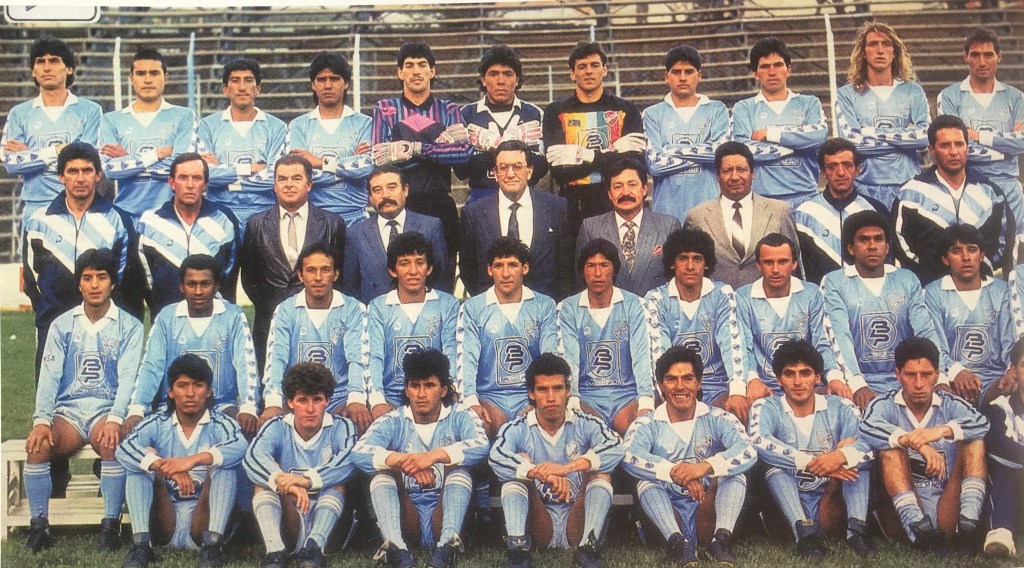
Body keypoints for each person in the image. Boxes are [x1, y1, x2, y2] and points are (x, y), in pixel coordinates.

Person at [23, 249, 144, 553]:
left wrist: (116, 418)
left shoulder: (130, 326)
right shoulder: (62, 324)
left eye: (101, 277)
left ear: (112, 282)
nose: (94, 284)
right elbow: (49, 376)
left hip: (106, 410)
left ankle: (110, 524)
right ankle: (39, 525)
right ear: (79, 283)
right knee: (38, 446)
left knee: (112, 442)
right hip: (69, 413)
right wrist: (42, 420)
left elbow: (128, 379)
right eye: (87, 278)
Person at [352, 349, 489, 568]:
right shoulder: (393, 420)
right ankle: (396, 548)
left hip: (444, 509)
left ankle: (447, 547)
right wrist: (402, 461)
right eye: (415, 386)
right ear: (407, 390)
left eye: (429, 385)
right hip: (408, 514)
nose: (421, 394)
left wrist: (432, 456)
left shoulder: (461, 415)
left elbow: (481, 444)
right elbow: (359, 451)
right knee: (383, 475)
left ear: (443, 389)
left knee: (458, 470)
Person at [622, 346, 756, 566]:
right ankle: (677, 544)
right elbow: (629, 455)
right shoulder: (647, 423)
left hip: (708, 512)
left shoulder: (718, 417)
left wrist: (703, 467)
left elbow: (747, 450)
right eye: (671, 379)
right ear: (661, 385)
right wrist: (675, 472)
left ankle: (720, 541)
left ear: (699, 383)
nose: (680, 386)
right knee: (645, 481)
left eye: (687, 378)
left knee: (735, 474)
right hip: (669, 515)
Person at [489, 353, 624, 568]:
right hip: (538, 521)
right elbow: (496, 456)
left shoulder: (586, 423)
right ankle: (518, 552)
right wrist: (538, 473)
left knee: (599, 472)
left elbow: (616, 447)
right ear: (531, 393)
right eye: (543, 389)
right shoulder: (517, 428)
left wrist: (566, 469)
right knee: (517, 468)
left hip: (577, 519)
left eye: (557, 388)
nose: (551, 397)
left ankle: (588, 550)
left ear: (568, 390)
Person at [748, 340, 876, 560]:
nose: (798, 381)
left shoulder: (841, 406)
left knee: (855, 459)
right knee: (773, 467)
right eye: (789, 374)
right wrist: (813, 462)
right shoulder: (766, 407)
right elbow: (759, 441)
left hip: (832, 500)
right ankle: (805, 536)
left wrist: (840, 456)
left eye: (805, 373)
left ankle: (857, 531)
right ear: (779, 380)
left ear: (818, 377)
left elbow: (869, 444)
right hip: (788, 505)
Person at [116, 354, 247, 568]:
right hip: (165, 517)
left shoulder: (220, 423)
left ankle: (212, 547)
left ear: (209, 391)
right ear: (170, 391)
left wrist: (192, 461)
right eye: (182, 385)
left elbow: (240, 445)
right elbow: (124, 448)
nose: (190, 393)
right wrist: (163, 466)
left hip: (204, 519)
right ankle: (141, 546)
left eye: (198, 385)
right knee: (143, 458)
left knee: (224, 463)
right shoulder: (158, 422)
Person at [859, 337, 989, 550]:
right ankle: (919, 530)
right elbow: (866, 426)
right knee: (891, 449)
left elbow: (981, 423)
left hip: (947, 505)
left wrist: (940, 430)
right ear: (898, 375)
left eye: (926, 375)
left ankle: (968, 526)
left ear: (937, 374)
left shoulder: (950, 404)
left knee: (974, 440)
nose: (919, 384)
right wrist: (917, 443)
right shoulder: (884, 404)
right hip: (900, 513)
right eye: (910, 375)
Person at [23, 143, 132, 378]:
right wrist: (51, 310)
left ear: (98, 175)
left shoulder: (117, 220)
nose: (80, 178)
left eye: (87, 170)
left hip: (102, 325)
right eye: (72, 171)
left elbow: (122, 276)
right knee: (50, 395)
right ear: (61, 176)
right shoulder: (39, 221)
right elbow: (32, 279)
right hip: (52, 323)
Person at [124, 255, 259, 438]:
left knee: (244, 428)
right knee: (141, 434)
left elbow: (246, 364)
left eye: (205, 284)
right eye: (191, 284)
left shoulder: (233, 316)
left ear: (216, 286)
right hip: (174, 404)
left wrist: (248, 406)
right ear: (181, 286)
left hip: (221, 404)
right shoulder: (167, 317)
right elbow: (151, 365)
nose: (198, 291)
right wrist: (137, 408)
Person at [822, 210, 945, 411]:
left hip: (906, 378)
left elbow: (925, 330)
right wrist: (857, 383)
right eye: (864, 240)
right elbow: (839, 335)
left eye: (878, 239)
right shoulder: (835, 281)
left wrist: (941, 378)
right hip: (861, 379)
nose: (872, 246)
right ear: (851, 248)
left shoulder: (906, 279)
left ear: (887, 247)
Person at [371, 41, 472, 274]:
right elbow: (381, 158)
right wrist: (439, 147)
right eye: (409, 65)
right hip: (401, 206)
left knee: (442, 276)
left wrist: (415, 149)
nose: (416, 71)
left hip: (439, 203)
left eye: (422, 65)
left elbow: (464, 153)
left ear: (432, 71)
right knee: (402, 274)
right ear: (400, 72)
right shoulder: (385, 108)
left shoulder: (448, 109)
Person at [245, 362, 359, 568]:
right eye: (302, 400)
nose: (310, 408)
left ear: (327, 400)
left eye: (317, 400)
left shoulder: (341, 426)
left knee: (337, 481)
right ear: (290, 402)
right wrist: (281, 480)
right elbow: (253, 457)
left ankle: (314, 548)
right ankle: (275, 551)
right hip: (291, 515)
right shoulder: (277, 426)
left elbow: (351, 459)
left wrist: (306, 481)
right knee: (264, 481)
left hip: (331, 524)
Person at [240, 154, 347, 369]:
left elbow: (341, 275)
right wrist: (271, 303)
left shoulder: (332, 223)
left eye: (296, 178)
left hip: (320, 319)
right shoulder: (255, 224)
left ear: (309, 184)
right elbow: (249, 278)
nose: (288, 184)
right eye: (282, 179)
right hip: (270, 320)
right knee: (272, 384)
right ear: (274, 185)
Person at [259, 243, 371, 433]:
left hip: (338, 398)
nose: (318, 277)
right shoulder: (286, 310)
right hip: (298, 397)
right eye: (311, 270)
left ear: (336, 274)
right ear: (301, 275)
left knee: (356, 423)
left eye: (325, 270)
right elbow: (276, 359)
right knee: (272, 426)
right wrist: (273, 402)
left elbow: (357, 358)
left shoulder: (353, 308)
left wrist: (356, 399)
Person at [645, 227, 753, 424]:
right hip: (678, 386)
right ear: (672, 263)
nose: (690, 266)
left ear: (706, 263)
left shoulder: (722, 294)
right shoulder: (656, 299)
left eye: (697, 259)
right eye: (683, 258)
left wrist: (737, 390)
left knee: (736, 415)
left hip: (716, 385)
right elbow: (658, 353)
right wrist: (665, 393)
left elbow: (732, 343)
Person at [938, 27, 1024, 265]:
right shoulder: (950, 96)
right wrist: (1006, 143)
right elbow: (951, 144)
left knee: (1015, 255)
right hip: (970, 183)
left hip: (1009, 185)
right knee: (969, 252)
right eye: (975, 55)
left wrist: (977, 136)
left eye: (988, 55)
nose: (982, 61)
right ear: (965, 57)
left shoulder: (1016, 97)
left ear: (999, 57)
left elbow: (1022, 144)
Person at [456, 237, 558, 437]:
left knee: (538, 433)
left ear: (525, 268)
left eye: (512, 265)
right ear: (489, 270)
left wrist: (539, 402)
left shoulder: (544, 305)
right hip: (490, 397)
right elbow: (466, 358)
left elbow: (552, 357)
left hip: (530, 396)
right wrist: (471, 401)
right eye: (498, 266)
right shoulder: (473, 308)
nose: (505, 273)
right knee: (476, 430)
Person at [543, 41, 645, 237]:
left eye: (595, 65)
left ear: (605, 70)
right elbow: (560, 171)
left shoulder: (626, 109)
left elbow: (635, 165)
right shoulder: (556, 111)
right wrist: (613, 153)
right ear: (572, 74)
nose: (589, 71)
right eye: (582, 66)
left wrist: (581, 156)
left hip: (617, 200)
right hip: (573, 204)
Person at [893, 114, 1010, 285]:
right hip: (930, 289)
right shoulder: (911, 194)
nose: (954, 152)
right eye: (945, 145)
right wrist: (930, 278)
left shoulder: (991, 193)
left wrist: (979, 272)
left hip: (980, 288)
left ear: (967, 148)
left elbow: (1004, 242)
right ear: (932, 151)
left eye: (959, 144)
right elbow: (900, 246)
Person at [2, 36, 102, 228]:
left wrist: (30, 156)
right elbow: (11, 164)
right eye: (40, 62)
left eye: (54, 61)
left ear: (69, 68)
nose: (47, 68)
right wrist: (57, 151)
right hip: (35, 208)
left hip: (79, 208)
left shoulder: (90, 111)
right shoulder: (19, 114)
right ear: (33, 71)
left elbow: (86, 159)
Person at [557, 238, 654, 436]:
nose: (598, 273)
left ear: (614, 269)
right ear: (582, 271)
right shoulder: (568, 308)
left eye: (604, 265)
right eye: (591, 266)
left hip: (626, 395)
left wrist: (645, 399)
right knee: (591, 438)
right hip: (587, 396)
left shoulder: (634, 304)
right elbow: (569, 358)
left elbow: (642, 355)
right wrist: (573, 397)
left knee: (637, 435)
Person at [736, 233, 852, 399]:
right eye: (768, 262)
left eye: (783, 261)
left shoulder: (811, 293)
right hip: (765, 386)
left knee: (842, 401)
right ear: (758, 265)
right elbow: (744, 347)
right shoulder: (743, 297)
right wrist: (752, 379)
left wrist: (834, 377)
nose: (776, 269)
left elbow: (821, 342)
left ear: (794, 264)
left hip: (805, 384)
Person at [460, 140, 572, 300]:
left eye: (517, 167)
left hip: (544, 307)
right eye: (503, 167)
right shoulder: (474, 213)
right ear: (495, 173)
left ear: (529, 171)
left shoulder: (556, 207)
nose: (510, 174)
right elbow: (468, 271)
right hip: (494, 309)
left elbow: (566, 266)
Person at [835, 22, 930, 209]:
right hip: (864, 186)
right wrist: (904, 139)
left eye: (886, 44)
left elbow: (925, 138)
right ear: (863, 52)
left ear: (894, 52)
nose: (880, 50)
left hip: (908, 185)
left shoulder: (913, 91)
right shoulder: (847, 94)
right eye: (873, 44)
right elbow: (851, 143)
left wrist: (868, 132)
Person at [683, 141, 801, 290]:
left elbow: (794, 265)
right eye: (727, 171)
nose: (734, 177)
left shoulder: (779, 212)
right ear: (717, 176)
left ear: (752, 173)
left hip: (766, 300)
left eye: (741, 169)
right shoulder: (697, 216)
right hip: (716, 301)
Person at [365, 232, 459, 417]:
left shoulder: (447, 304)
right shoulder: (378, 307)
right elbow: (374, 356)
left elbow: (451, 351)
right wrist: (377, 400)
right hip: (391, 396)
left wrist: (449, 389)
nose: (413, 271)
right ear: (393, 270)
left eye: (420, 262)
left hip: (432, 396)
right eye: (404, 263)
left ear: (429, 268)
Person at [136, 152, 240, 319]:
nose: (190, 185)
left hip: (213, 319)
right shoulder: (151, 222)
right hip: (167, 319)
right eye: (183, 178)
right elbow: (145, 279)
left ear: (205, 184)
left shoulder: (224, 219)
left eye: (197, 178)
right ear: (171, 182)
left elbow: (229, 273)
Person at [100, 48, 197, 222]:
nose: (147, 80)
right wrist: (158, 154)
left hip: (170, 217)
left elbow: (183, 168)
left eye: (154, 73)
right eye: (140, 73)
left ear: (166, 77)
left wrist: (128, 160)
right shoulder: (111, 120)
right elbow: (110, 170)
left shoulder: (185, 116)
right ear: (131, 78)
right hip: (126, 215)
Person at [924, 225, 1014, 407]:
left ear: (981, 256)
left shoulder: (1002, 291)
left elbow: (1009, 342)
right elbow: (934, 344)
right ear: (945, 259)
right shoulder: (933, 293)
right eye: (956, 251)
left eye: (972, 250)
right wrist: (957, 371)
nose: (965, 257)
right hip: (951, 378)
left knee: (1015, 386)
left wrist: (1010, 372)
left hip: (995, 379)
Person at [731, 37, 827, 207]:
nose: (772, 72)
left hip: (806, 195)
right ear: (755, 74)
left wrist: (770, 134)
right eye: (765, 67)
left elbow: (819, 135)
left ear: (788, 70)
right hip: (763, 199)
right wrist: (796, 145)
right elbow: (743, 151)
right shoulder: (744, 108)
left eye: (778, 65)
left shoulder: (809, 103)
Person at [197, 58, 287, 230]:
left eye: (248, 80)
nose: (242, 87)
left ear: (258, 88)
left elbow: (275, 176)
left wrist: (226, 175)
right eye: (235, 80)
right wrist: (249, 168)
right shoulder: (207, 126)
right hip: (219, 211)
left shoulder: (277, 127)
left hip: (264, 211)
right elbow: (205, 174)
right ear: (225, 89)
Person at [287, 51, 375, 226]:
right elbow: (297, 174)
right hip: (312, 220)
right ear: (313, 85)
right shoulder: (298, 125)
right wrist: (348, 166)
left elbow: (365, 168)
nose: (328, 85)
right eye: (321, 79)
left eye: (334, 79)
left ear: (346, 83)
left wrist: (317, 162)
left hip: (355, 218)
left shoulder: (365, 123)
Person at [643, 45, 729, 221]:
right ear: (666, 77)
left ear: (699, 75)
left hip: (709, 209)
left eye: (689, 71)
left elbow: (720, 154)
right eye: (676, 72)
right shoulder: (652, 114)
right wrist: (703, 154)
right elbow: (655, 164)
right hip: (666, 211)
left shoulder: (717, 110)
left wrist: (669, 149)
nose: (683, 78)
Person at [342, 164, 449, 304]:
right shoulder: (355, 234)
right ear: (370, 197)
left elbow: (441, 279)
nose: (385, 195)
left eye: (392, 187)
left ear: (405, 190)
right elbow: (350, 287)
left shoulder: (430, 226)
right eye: (377, 190)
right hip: (374, 313)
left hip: (422, 311)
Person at [455, 44, 547, 204]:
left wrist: (497, 148)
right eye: (493, 74)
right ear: (483, 80)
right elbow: (461, 170)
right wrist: (500, 149)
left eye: (508, 74)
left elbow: (541, 167)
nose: (501, 81)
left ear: (517, 80)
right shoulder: (466, 114)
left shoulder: (534, 114)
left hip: (523, 197)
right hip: (481, 197)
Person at [575, 159, 681, 297]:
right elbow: (581, 281)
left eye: (632, 185)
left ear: (644, 189)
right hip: (609, 308)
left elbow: (678, 279)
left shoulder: (669, 226)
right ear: (609, 194)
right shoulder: (591, 228)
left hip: (657, 307)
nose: (625, 192)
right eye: (618, 186)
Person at [793, 138, 889, 285]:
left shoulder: (876, 209)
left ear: (858, 169)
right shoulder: (805, 213)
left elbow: (888, 261)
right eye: (832, 167)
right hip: (822, 295)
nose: (841, 173)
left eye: (847, 165)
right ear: (823, 171)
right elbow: (800, 268)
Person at [979, 337, 1024, 558]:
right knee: (1004, 465)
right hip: (1015, 496)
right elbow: (997, 445)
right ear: (1014, 370)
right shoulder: (998, 408)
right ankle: (1001, 532)